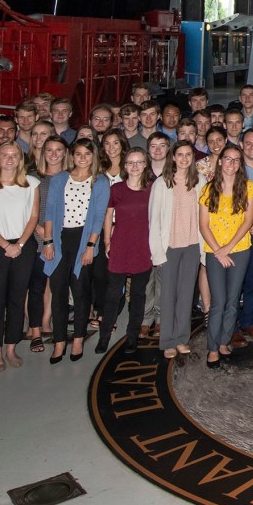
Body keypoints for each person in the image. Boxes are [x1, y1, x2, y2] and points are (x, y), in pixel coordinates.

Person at [40, 139, 109, 365]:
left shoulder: (99, 181)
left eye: (87, 154)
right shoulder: (60, 179)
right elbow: (49, 212)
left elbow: (98, 217)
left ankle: (78, 338)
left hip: (83, 239)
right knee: (58, 290)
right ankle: (59, 341)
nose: (82, 158)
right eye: (78, 153)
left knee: (80, 292)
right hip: (60, 239)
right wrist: (48, 242)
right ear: (72, 155)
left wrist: (91, 247)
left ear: (93, 156)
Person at [0, 141, 41, 369]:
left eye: (15, 155)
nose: (10, 158)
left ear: (21, 159)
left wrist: (20, 244)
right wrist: (6, 245)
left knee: (17, 299)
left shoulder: (31, 183)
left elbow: (33, 217)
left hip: (23, 246)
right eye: (5, 155)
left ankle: (12, 348)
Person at [199, 147, 253, 368]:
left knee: (233, 301)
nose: (231, 164)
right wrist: (218, 250)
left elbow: (248, 221)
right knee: (218, 302)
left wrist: (229, 247)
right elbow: (203, 226)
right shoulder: (207, 190)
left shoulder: (248, 188)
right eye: (227, 159)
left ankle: (224, 341)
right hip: (214, 251)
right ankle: (212, 348)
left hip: (239, 250)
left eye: (236, 160)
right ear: (220, 162)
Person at [148, 141, 205, 364]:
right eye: (179, 154)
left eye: (187, 154)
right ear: (173, 157)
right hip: (169, 247)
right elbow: (154, 220)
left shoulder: (200, 181)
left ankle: (182, 337)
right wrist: (158, 252)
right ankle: (168, 341)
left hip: (192, 245)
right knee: (168, 295)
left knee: (186, 295)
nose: (183, 159)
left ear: (193, 157)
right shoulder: (162, 184)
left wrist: (203, 250)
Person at [98, 148, 156, 355]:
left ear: (145, 165)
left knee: (138, 295)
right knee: (113, 293)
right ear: (124, 166)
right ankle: (104, 336)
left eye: (139, 162)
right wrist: (107, 241)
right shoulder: (116, 190)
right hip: (120, 244)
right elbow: (108, 216)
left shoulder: (152, 189)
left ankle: (132, 337)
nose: (134, 166)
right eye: (130, 162)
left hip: (143, 246)